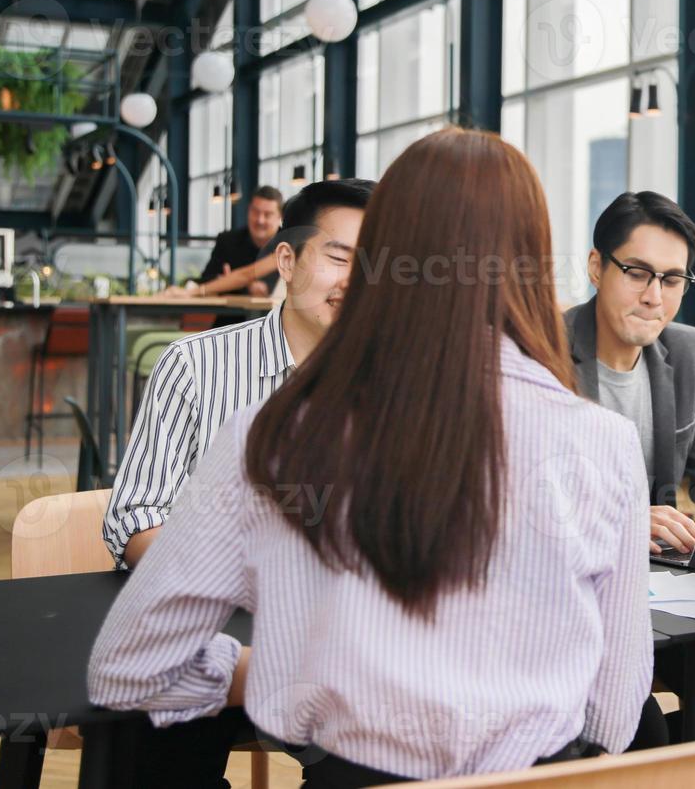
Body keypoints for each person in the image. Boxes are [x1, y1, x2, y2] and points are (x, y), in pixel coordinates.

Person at [89, 128, 653, 789]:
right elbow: (615, 713)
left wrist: (274, 660)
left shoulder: (274, 435)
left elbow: (128, 666)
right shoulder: (602, 441)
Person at [565, 191, 695, 743]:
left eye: (673, 279)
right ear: (595, 266)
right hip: (574, 599)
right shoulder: (542, 351)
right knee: (641, 734)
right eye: (636, 272)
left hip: (664, 588)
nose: (655, 296)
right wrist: (629, 523)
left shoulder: (688, 350)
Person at [102, 179, 374, 569]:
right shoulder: (193, 367)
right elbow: (136, 519)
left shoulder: (392, 379)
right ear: (287, 262)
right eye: (340, 259)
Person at [199, 185, 284, 297]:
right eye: (255, 212)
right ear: (248, 211)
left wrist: (268, 289)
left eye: (267, 214)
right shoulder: (227, 242)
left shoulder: (289, 246)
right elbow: (204, 281)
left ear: (280, 217)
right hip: (233, 314)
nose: (260, 220)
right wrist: (223, 282)